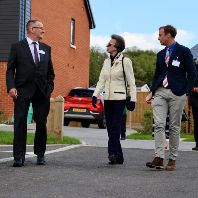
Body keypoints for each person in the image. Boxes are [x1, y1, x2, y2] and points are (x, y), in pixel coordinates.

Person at [145, 25, 195, 171]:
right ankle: (159, 157)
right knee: (159, 124)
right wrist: (152, 92)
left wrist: (186, 92)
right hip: (160, 91)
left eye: (160, 35)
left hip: (177, 93)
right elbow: (157, 75)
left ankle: (172, 159)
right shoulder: (160, 54)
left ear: (168, 35)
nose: (158, 37)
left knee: (174, 127)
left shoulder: (184, 51)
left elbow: (192, 74)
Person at [6, 19, 55, 167]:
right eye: (41, 28)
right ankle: (19, 156)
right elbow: (10, 70)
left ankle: (40, 154)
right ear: (32, 29)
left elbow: (50, 72)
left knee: (41, 122)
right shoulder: (17, 47)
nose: (43, 31)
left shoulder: (46, 48)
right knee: (20, 123)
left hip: (42, 92)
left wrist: (49, 87)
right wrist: (11, 87)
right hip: (22, 91)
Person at [92, 34, 136, 165]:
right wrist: (95, 95)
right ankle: (119, 156)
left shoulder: (125, 61)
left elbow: (132, 82)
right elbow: (101, 81)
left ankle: (111, 153)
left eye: (109, 44)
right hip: (108, 98)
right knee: (110, 127)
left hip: (120, 98)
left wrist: (133, 99)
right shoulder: (106, 62)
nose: (107, 46)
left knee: (116, 126)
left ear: (117, 47)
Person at [189, 60, 198, 151]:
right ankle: (197, 144)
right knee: (197, 123)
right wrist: (193, 88)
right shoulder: (193, 68)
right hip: (196, 100)